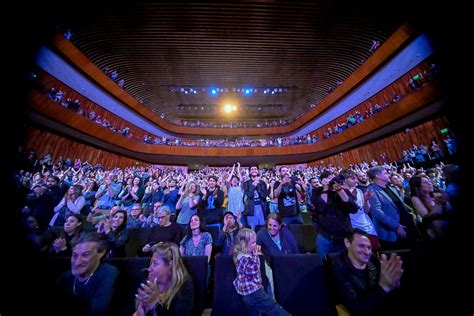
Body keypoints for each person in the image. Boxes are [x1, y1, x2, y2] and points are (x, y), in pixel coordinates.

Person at [325, 228, 403, 316]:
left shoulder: (373, 261)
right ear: (347, 243)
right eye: (361, 246)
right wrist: (383, 286)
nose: (367, 252)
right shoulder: (337, 268)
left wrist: (394, 284)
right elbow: (357, 309)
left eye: (369, 247)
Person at [56, 232, 119, 316]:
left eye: (85, 255)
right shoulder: (65, 277)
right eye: (75, 256)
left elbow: (98, 311)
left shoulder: (109, 272)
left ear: (101, 253)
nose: (77, 262)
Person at [233, 228, 290, 316]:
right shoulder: (247, 259)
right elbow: (254, 272)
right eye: (252, 243)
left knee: (254, 312)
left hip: (246, 294)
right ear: (243, 244)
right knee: (273, 308)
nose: (255, 245)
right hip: (254, 293)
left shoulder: (240, 255)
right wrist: (256, 257)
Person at [133, 242, 194, 316]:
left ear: (170, 265)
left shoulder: (184, 287)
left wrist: (155, 303)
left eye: (155, 263)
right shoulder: (148, 282)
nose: (149, 269)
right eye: (150, 263)